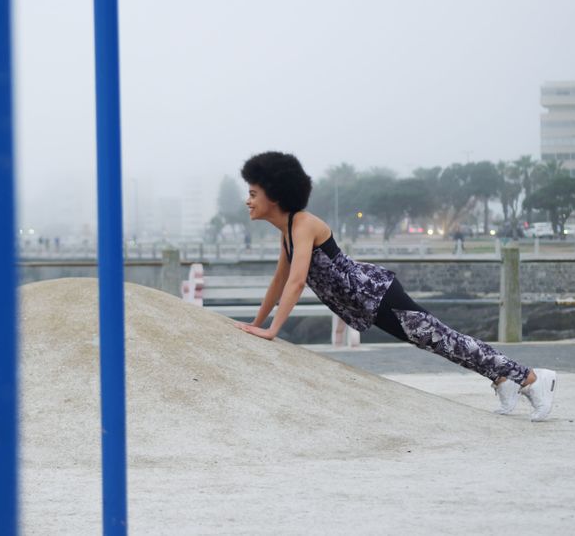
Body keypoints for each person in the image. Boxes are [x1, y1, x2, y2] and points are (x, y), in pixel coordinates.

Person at [234, 151, 556, 421]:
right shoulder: (287, 231)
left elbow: (297, 281)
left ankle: (531, 378)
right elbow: (279, 280)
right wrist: (256, 324)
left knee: (442, 338)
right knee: (435, 342)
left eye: (252, 194)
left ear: (275, 195)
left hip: (377, 293)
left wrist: (272, 330)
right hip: (366, 302)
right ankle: (502, 378)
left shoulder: (303, 224)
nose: (248, 201)